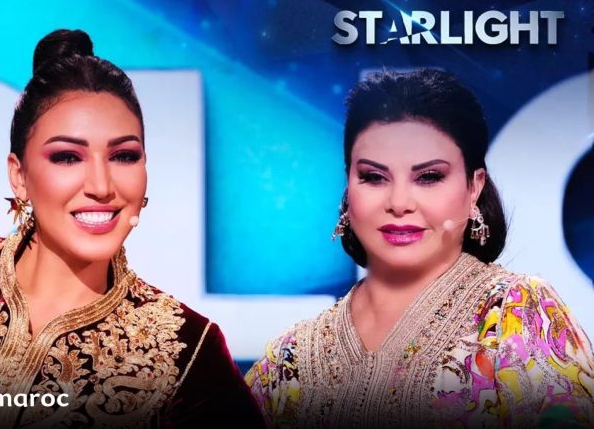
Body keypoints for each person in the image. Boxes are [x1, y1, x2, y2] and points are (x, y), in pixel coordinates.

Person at [0, 29, 265, 429]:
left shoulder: (187, 350)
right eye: (67, 157)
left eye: (123, 156)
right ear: (19, 176)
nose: (101, 186)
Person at [245, 69, 594, 428]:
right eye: (374, 177)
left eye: (428, 177)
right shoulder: (288, 358)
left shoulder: (514, 314)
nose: (399, 203)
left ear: (474, 186)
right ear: (349, 186)